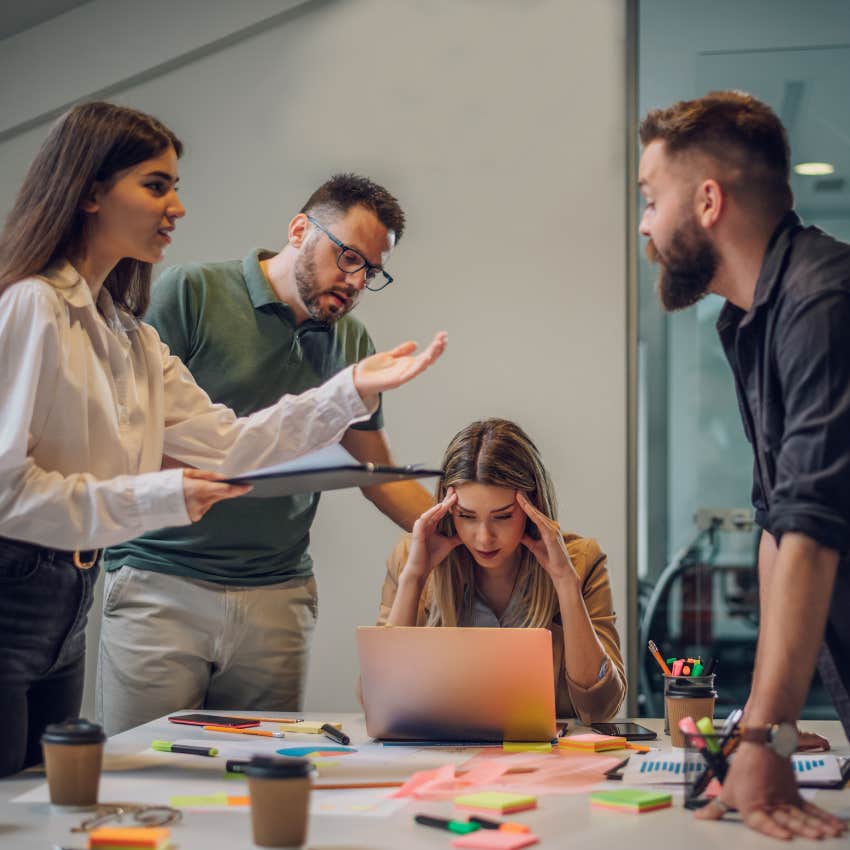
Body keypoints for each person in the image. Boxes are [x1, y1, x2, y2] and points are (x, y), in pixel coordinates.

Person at [0, 101, 446, 777]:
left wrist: (349, 389)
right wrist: (162, 496)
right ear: (89, 191)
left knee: (49, 803)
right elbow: (8, 494)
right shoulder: (35, 304)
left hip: (72, 595)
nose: (176, 207)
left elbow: (230, 445)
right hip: (26, 591)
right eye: (156, 186)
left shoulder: (129, 335)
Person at [98, 174, 436, 735]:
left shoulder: (351, 341)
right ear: (300, 230)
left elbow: (376, 472)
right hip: (161, 579)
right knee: (141, 777)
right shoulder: (190, 293)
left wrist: (455, 529)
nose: (354, 282)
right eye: (347, 257)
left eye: (371, 272)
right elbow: (132, 434)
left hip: (277, 593)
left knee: (260, 782)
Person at [638, 90, 849, 841]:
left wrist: (764, 738)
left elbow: (813, 527)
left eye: (650, 198)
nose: (644, 225)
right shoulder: (751, 318)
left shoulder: (825, 301)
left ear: (706, 199)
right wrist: (767, 729)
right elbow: (775, 526)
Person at [374, 418, 626, 723]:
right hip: (440, 756)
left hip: (545, 759)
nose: (483, 537)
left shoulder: (583, 561)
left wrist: (565, 582)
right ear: (447, 509)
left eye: (503, 516)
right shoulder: (411, 558)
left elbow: (600, 707)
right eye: (466, 516)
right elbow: (380, 702)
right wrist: (414, 578)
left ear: (533, 507)